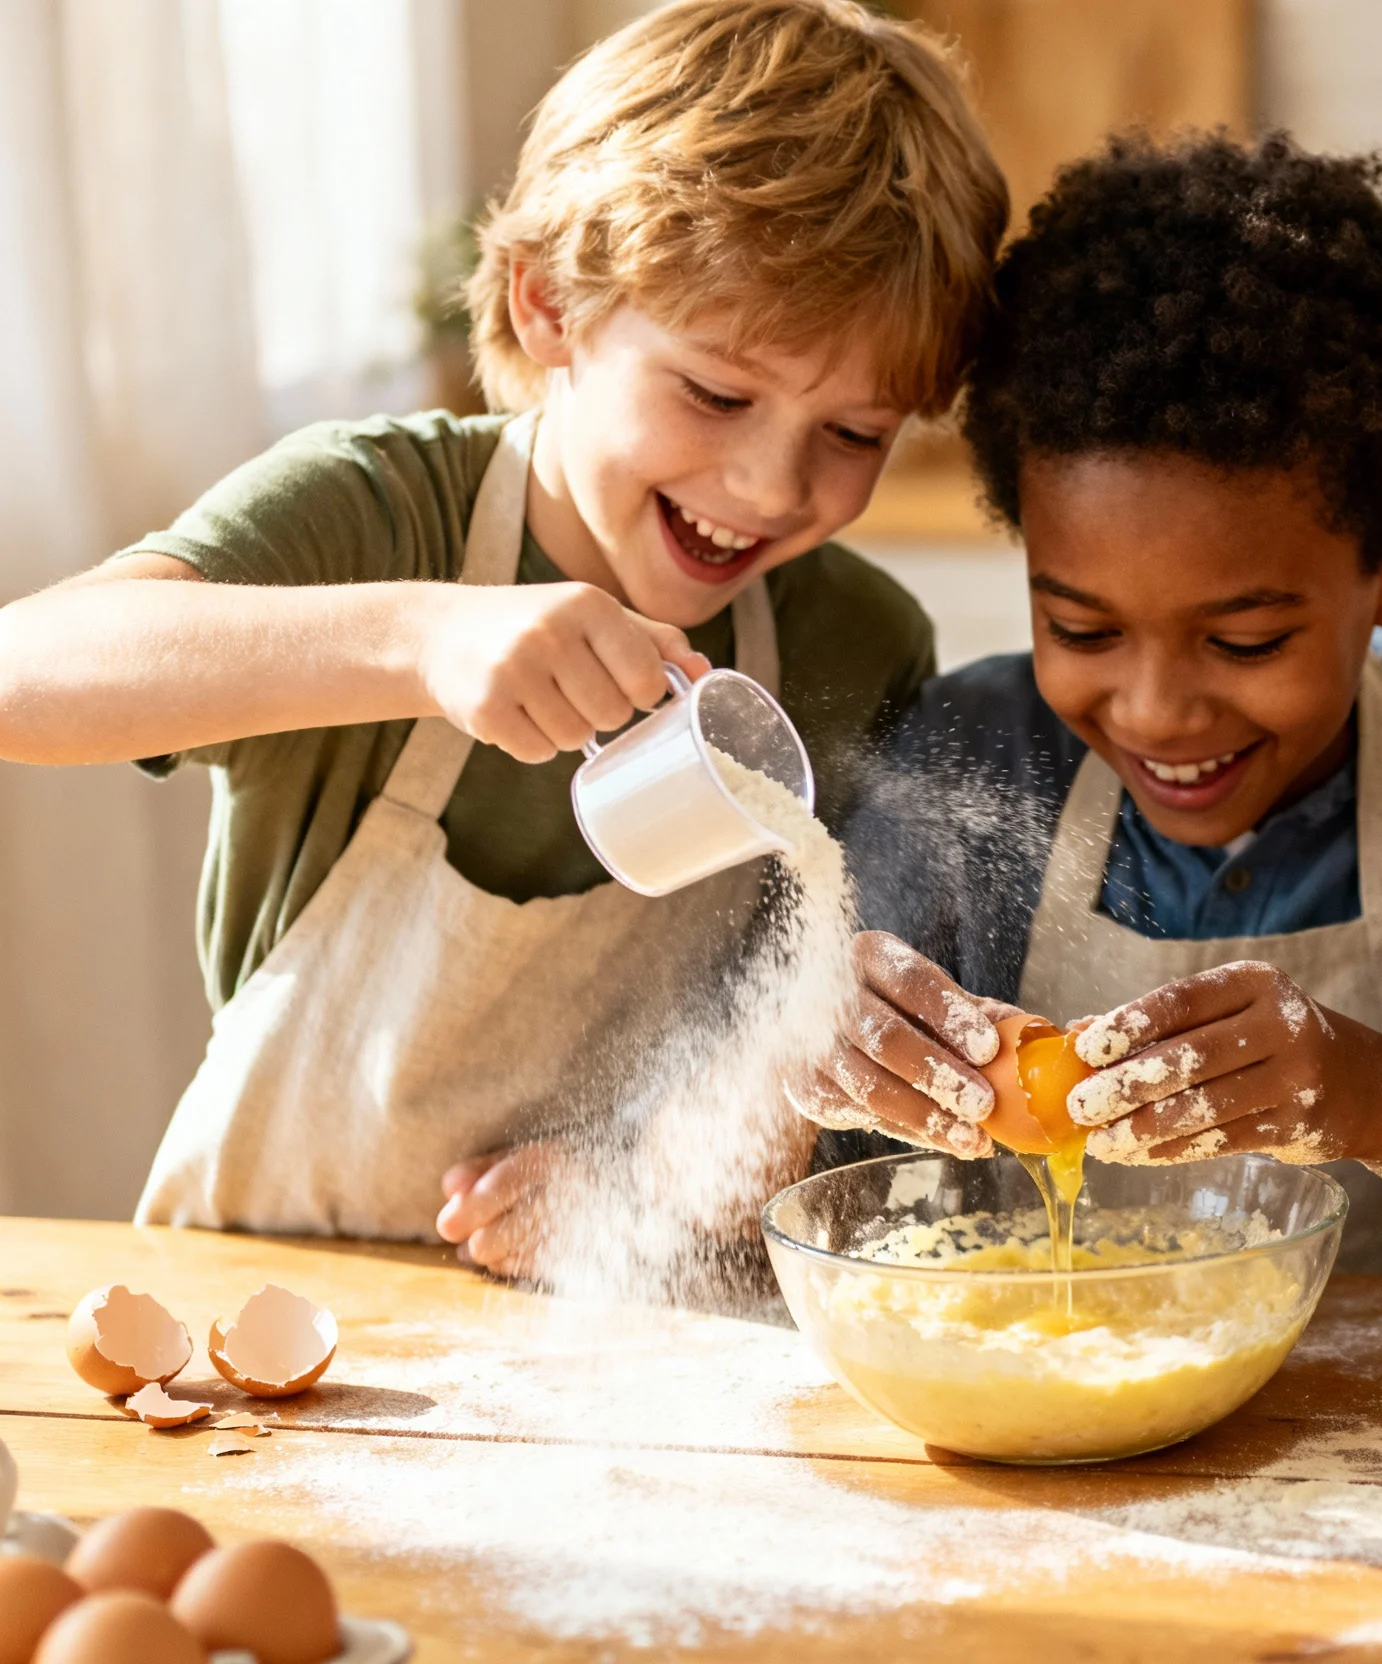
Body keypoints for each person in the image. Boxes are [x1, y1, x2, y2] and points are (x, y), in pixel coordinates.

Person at [0, 0, 1007, 1275]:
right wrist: (418, 636)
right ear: (549, 308)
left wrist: (640, 1183)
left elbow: (786, 1038)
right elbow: (22, 673)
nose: (767, 484)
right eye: (714, 391)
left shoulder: (855, 641)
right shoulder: (377, 516)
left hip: (622, 1317)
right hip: (278, 1311)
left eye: (855, 434)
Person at [817, 134, 1382, 1299]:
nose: (1158, 710)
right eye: (1082, 630)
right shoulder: (974, 757)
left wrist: (1362, 1091)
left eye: (1246, 642)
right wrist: (819, 1052)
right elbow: (829, 1183)